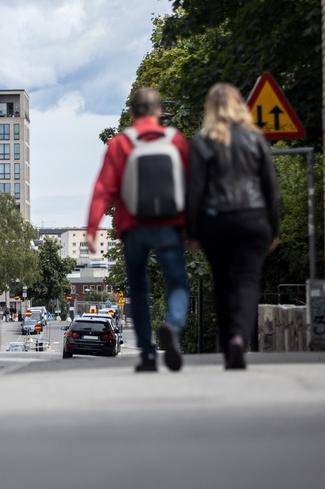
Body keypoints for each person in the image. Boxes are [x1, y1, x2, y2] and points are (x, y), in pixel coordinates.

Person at [86, 87, 191, 372]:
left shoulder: (121, 144)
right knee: (178, 284)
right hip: (170, 225)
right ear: (159, 112)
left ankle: (147, 353)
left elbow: (103, 188)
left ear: (132, 113)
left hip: (133, 228)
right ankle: (173, 325)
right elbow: (192, 184)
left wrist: (93, 228)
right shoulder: (176, 141)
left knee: (139, 290)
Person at [185, 83, 281, 370]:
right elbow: (269, 186)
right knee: (247, 282)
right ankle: (240, 337)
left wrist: (192, 231)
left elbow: (195, 190)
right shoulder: (254, 138)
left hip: (217, 221)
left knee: (223, 283)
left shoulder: (203, 141)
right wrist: (273, 228)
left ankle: (229, 344)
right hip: (253, 219)